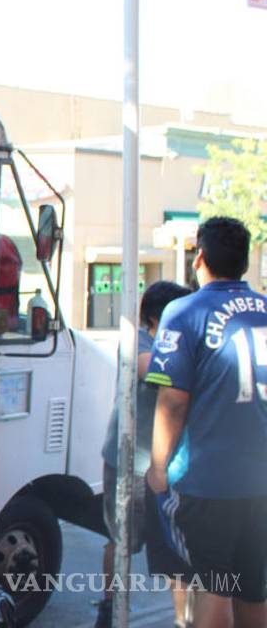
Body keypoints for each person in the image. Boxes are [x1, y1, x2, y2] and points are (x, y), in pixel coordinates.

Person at [148, 217, 267, 628]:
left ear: (199, 257)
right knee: (254, 588)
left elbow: (172, 402)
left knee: (213, 588)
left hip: (207, 480)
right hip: (261, 480)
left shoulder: (184, 311)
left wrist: (159, 467)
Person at [94, 280, 192, 628]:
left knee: (178, 552)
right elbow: (154, 373)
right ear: (157, 316)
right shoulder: (139, 340)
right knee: (123, 541)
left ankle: (184, 619)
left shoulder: (180, 343)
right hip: (129, 461)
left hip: (169, 464)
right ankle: (110, 609)